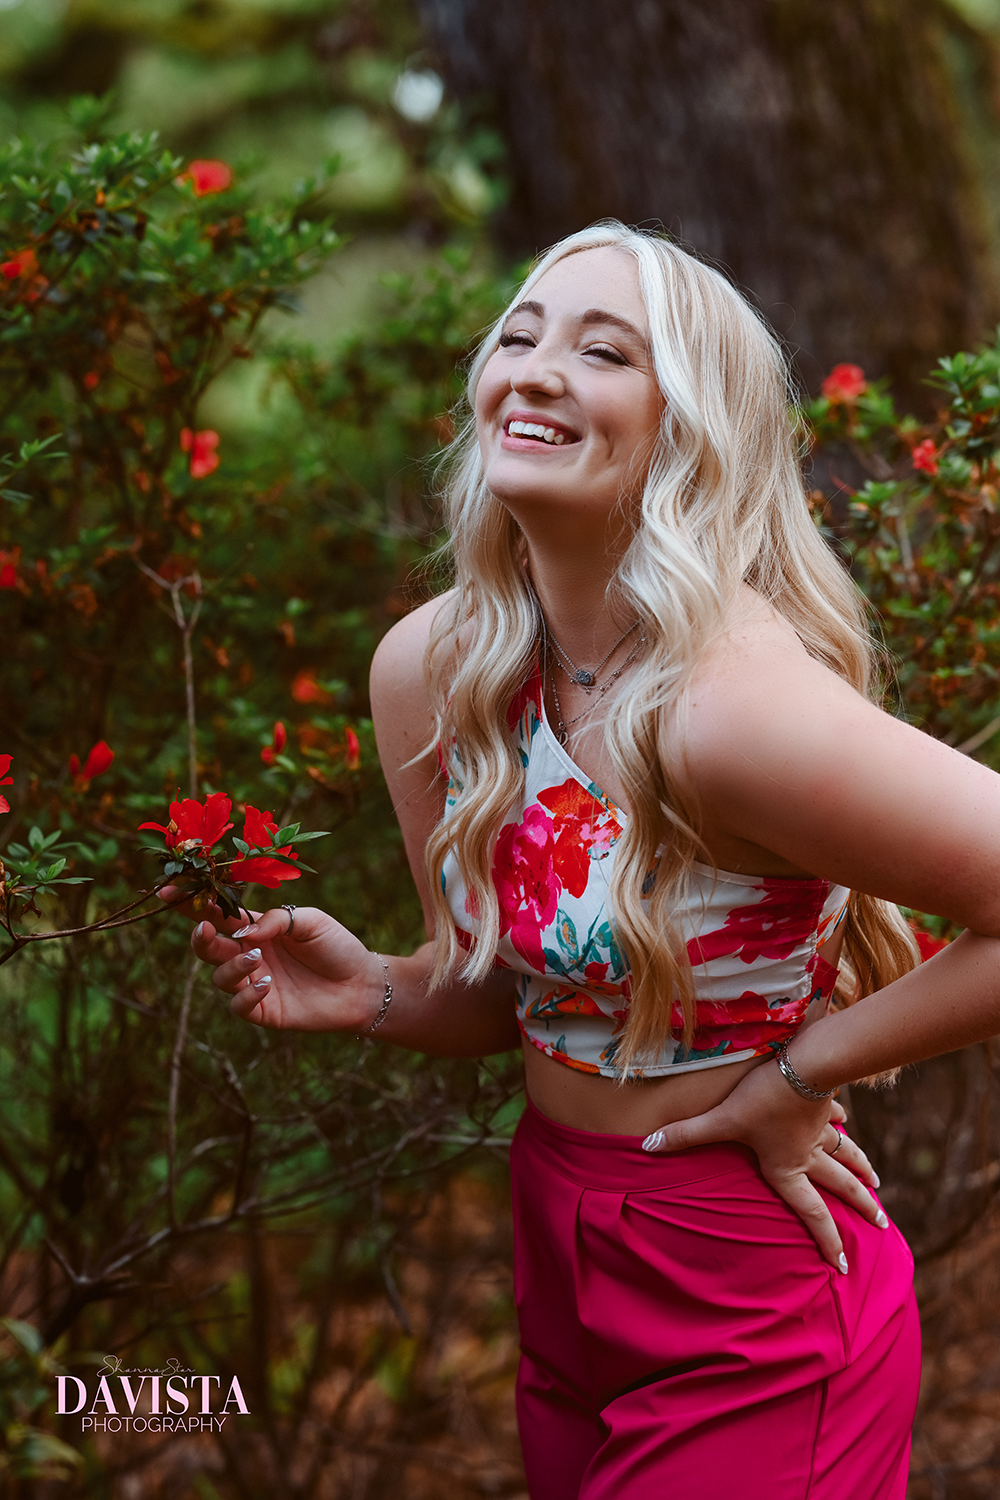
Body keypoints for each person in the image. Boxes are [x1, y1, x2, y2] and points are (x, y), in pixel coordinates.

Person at [186, 222, 1000, 1499]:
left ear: (690, 430)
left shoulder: (730, 712)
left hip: (750, 1284)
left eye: (603, 350)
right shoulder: (434, 673)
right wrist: (375, 993)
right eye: (519, 336)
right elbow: (502, 998)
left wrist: (805, 1073)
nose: (538, 368)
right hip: (559, 1243)